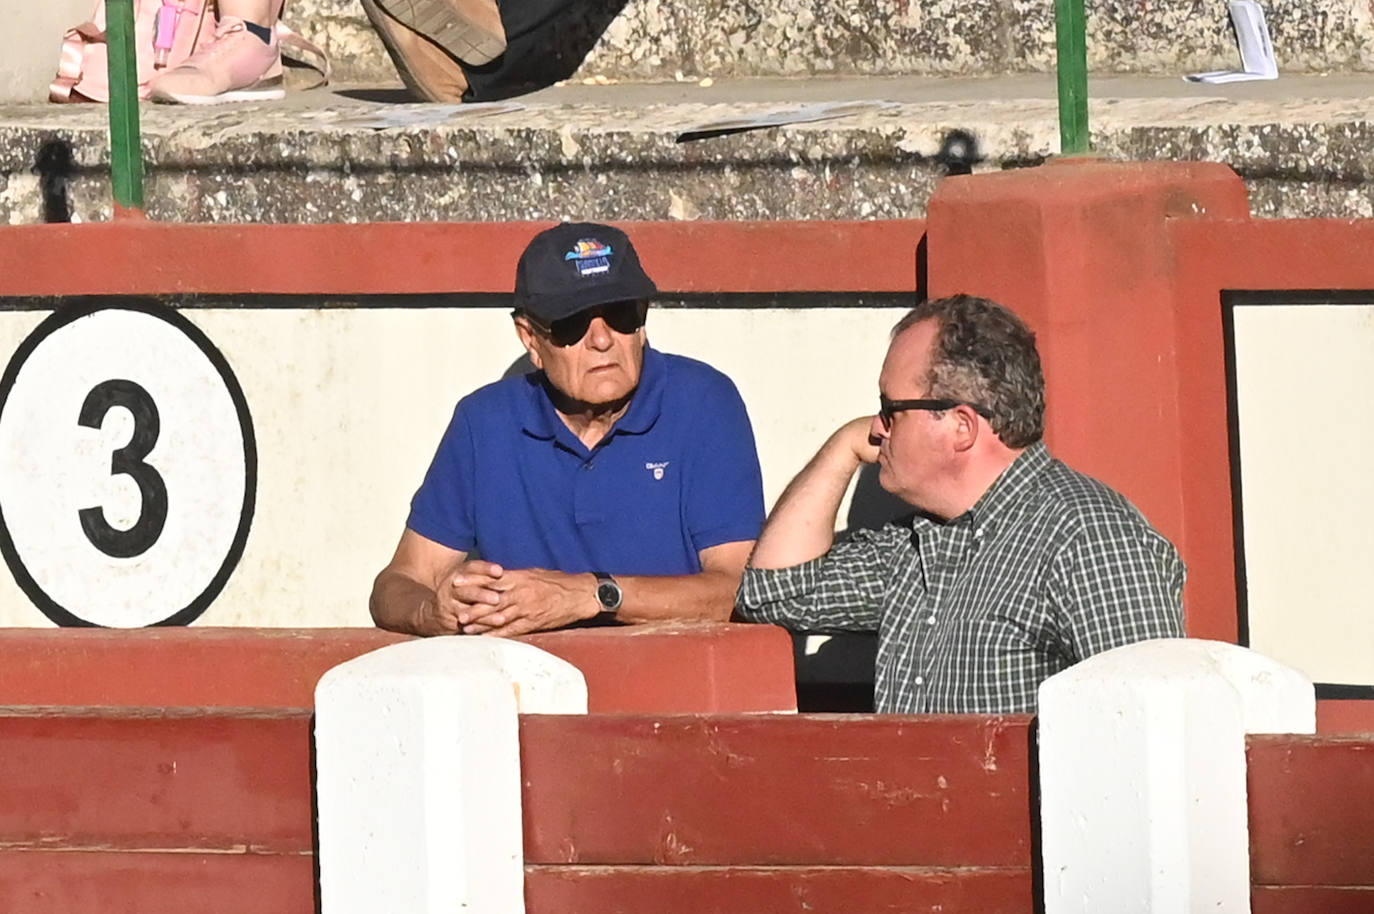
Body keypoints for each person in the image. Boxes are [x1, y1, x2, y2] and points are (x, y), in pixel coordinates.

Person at [735, 294, 1185, 713]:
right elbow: (774, 595)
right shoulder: (917, 543)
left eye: (891, 409)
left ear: (961, 427)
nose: (877, 426)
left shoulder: (1093, 543)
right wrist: (842, 448)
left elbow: (1152, 733)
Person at [371, 222, 765, 637]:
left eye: (621, 314)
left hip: (674, 684)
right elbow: (396, 584)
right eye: (572, 323)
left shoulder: (703, 403)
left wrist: (588, 595)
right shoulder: (483, 424)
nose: (601, 339)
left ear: (643, 322)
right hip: (529, 689)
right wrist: (434, 612)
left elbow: (738, 590)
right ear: (530, 339)